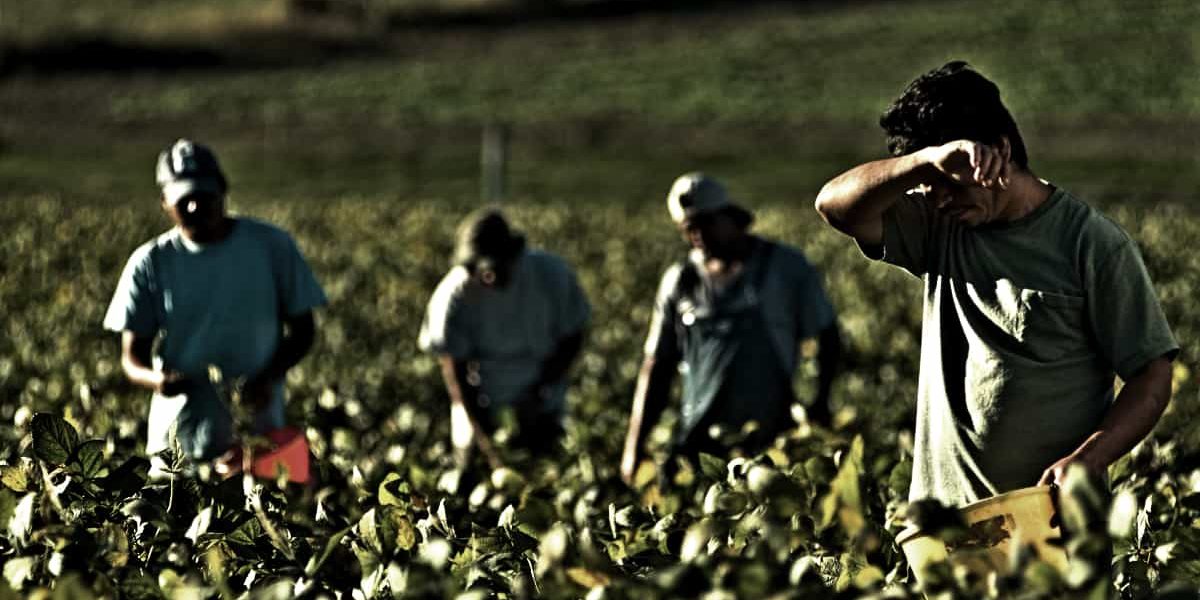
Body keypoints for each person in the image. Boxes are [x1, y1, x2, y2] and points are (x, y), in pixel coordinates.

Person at [814, 61, 1178, 508]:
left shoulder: (1090, 243)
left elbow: (1152, 374)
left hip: (1050, 521)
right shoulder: (938, 227)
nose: (938, 198)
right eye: (929, 184)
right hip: (944, 525)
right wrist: (926, 162)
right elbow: (834, 206)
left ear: (1000, 150)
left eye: (949, 182)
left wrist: (1089, 459)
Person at [104, 139, 327, 470]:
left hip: (258, 432)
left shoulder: (271, 247)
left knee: (262, 514)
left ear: (223, 191)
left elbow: (303, 330)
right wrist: (159, 380)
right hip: (177, 440)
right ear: (165, 202)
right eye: (184, 200)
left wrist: (267, 377)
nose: (195, 208)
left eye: (203, 197)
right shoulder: (150, 262)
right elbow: (131, 359)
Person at [621, 173, 842, 485]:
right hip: (700, 439)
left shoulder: (785, 267)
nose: (698, 235)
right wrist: (634, 446)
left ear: (731, 217)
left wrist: (820, 402)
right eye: (688, 229)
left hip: (771, 435)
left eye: (706, 223)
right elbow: (657, 365)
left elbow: (827, 336)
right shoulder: (680, 281)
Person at [418, 208, 590, 469]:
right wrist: (487, 443)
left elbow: (572, 337)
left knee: (545, 477)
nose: (489, 276)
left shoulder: (550, 275)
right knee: (472, 482)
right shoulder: (453, 296)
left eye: (496, 266)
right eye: (480, 269)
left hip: (544, 404)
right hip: (479, 409)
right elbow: (455, 372)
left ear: (513, 255)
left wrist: (539, 393)